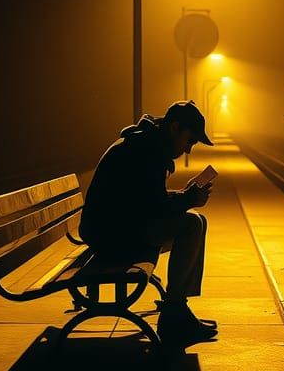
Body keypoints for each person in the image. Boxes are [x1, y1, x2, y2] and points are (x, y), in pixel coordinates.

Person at [80, 100, 217, 345]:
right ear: (175, 127)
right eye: (189, 141)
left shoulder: (146, 143)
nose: (188, 150)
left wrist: (184, 196)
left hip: (113, 228)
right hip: (111, 236)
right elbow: (152, 209)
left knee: (196, 221)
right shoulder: (145, 151)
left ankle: (178, 309)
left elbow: (145, 200)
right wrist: (188, 199)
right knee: (192, 224)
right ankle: (175, 312)